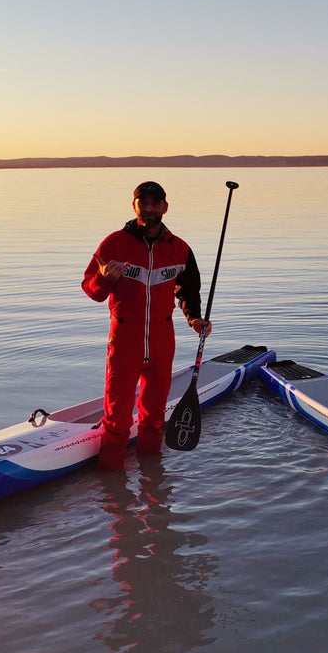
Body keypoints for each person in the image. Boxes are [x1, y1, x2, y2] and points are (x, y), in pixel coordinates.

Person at [82, 181, 210, 470]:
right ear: (134, 206)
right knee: (117, 420)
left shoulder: (180, 249)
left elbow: (188, 291)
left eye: (156, 202)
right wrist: (104, 278)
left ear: (165, 207)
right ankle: (112, 493)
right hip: (125, 343)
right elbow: (92, 291)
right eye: (144, 202)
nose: (149, 208)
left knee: (154, 418)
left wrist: (194, 318)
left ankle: (154, 484)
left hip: (163, 343)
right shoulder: (114, 244)